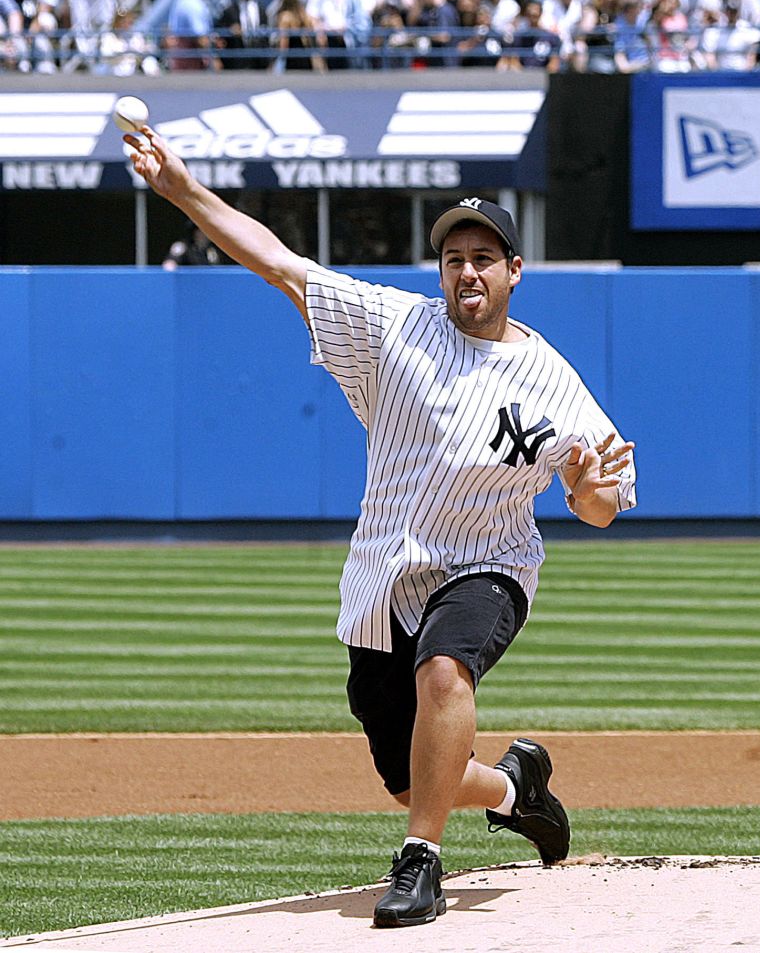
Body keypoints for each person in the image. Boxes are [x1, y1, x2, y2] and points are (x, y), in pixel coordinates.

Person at [124, 126, 637, 928]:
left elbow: (595, 502)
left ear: (514, 272)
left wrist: (592, 493)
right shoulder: (393, 325)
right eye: (454, 259)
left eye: (484, 257)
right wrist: (184, 191)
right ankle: (515, 788)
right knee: (412, 775)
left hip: (486, 561)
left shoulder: (555, 384)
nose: (468, 271)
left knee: (444, 670)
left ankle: (420, 861)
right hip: (381, 578)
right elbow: (278, 264)